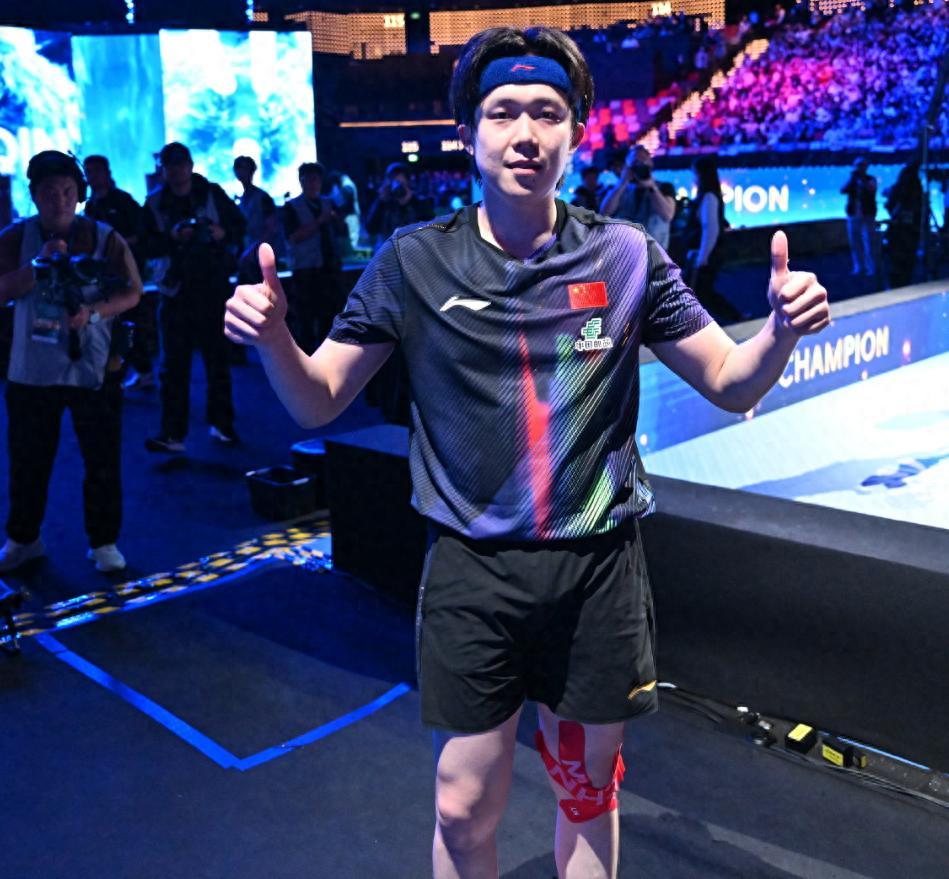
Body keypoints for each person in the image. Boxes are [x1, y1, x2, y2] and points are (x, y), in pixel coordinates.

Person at [225, 26, 830, 878]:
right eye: (502, 112)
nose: (524, 133)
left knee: (585, 790)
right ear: (466, 131)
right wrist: (275, 340)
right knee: (460, 804)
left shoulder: (624, 255)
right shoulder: (413, 261)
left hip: (596, 571)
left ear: (574, 130)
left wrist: (778, 331)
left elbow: (731, 383)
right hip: (472, 571)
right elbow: (318, 397)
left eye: (546, 112)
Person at [0, 151, 142, 573]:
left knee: (102, 459)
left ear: (79, 194)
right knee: (28, 460)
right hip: (31, 369)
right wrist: (37, 266)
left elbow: (133, 290)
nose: (59, 200)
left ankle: (104, 542)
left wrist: (94, 313)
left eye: (66, 191)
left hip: (93, 367)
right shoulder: (15, 237)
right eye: (48, 192)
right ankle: (23, 538)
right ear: (34, 195)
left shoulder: (104, 237)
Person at [142, 142, 245, 453]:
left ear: (190, 165)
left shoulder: (211, 194)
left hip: (212, 287)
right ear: (163, 169)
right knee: (173, 366)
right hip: (176, 290)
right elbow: (145, 245)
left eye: (180, 164)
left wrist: (221, 233)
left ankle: (222, 423)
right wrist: (172, 237)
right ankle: (173, 433)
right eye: (170, 165)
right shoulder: (155, 202)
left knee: (217, 360)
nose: (175, 170)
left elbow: (239, 226)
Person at [83, 154, 154, 390]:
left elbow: (141, 235)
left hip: (126, 273)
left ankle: (143, 370)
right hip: (101, 276)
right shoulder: (91, 205)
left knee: (130, 322)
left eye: (95, 171)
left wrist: (117, 246)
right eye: (88, 172)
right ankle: (113, 371)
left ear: (107, 173)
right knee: (105, 322)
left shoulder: (123, 201)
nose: (91, 177)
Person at [281, 162, 344, 354]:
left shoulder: (329, 203)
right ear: (301, 181)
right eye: (307, 179)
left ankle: (329, 357)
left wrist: (336, 220)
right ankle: (305, 360)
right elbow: (293, 237)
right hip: (305, 270)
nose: (312, 183)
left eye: (315, 179)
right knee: (305, 319)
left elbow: (341, 230)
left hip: (329, 269)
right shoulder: (291, 207)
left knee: (330, 316)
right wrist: (319, 221)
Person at [686, 155, 742, 323]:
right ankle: (734, 318)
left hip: (704, 255)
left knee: (701, 292)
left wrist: (702, 257)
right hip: (702, 254)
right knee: (702, 292)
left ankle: (735, 318)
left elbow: (710, 229)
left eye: (695, 174)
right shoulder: (707, 196)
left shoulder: (709, 197)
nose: (693, 178)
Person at [599, 144, 676, 249]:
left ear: (651, 163)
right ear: (627, 167)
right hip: (624, 252)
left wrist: (652, 187)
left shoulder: (664, 187)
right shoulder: (617, 189)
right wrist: (622, 183)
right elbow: (604, 213)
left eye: (643, 160)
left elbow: (667, 215)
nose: (640, 165)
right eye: (635, 162)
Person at [364, 162, 434, 251]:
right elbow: (370, 229)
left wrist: (411, 201)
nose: (398, 189)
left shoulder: (419, 203)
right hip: (387, 254)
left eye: (401, 184)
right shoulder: (384, 203)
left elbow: (432, 230)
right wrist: (381, 201)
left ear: (408, 183)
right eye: (394, 183)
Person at [883, 159, 922, 289]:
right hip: (909, 230)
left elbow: (891, 204)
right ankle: (903, 283)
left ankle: (897, 283)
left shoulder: (902, 186)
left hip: (901, 230)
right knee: (905, 259)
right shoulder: (915, 187)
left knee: (898, 259)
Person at [233, 155, 279, 253]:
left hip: (261, 253)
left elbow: (272, 228)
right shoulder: (240, 199)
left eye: (246, 168)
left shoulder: (263, 197)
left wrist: (254, 249)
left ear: (252, 171)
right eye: (239, 168)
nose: (242, 172)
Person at [841, 157, 878, 278]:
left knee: (869, 242)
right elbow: (843, 190)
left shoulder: (871, 179)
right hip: (853, 214)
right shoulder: (852, 180)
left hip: (868, 214)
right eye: (858, 166)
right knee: (855, 242)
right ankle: (858, 267)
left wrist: (861, 182)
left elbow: (871, 190)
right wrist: (852, 179)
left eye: (862, 166)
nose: (860, 168)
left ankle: (871, 268)